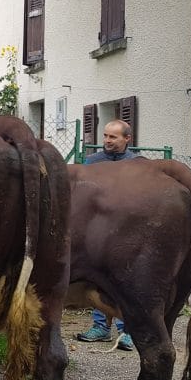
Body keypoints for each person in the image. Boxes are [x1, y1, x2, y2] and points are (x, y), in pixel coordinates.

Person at [76, 118, 138, 351]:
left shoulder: (137, 164)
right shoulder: (91, 162)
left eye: (113, 137)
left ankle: (126, 332)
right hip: (97, 232)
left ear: (127, 139)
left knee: (125, 282)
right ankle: (101, 328)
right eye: (105, 136)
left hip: (126, 232)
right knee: (97, 278)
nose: (107, 141)